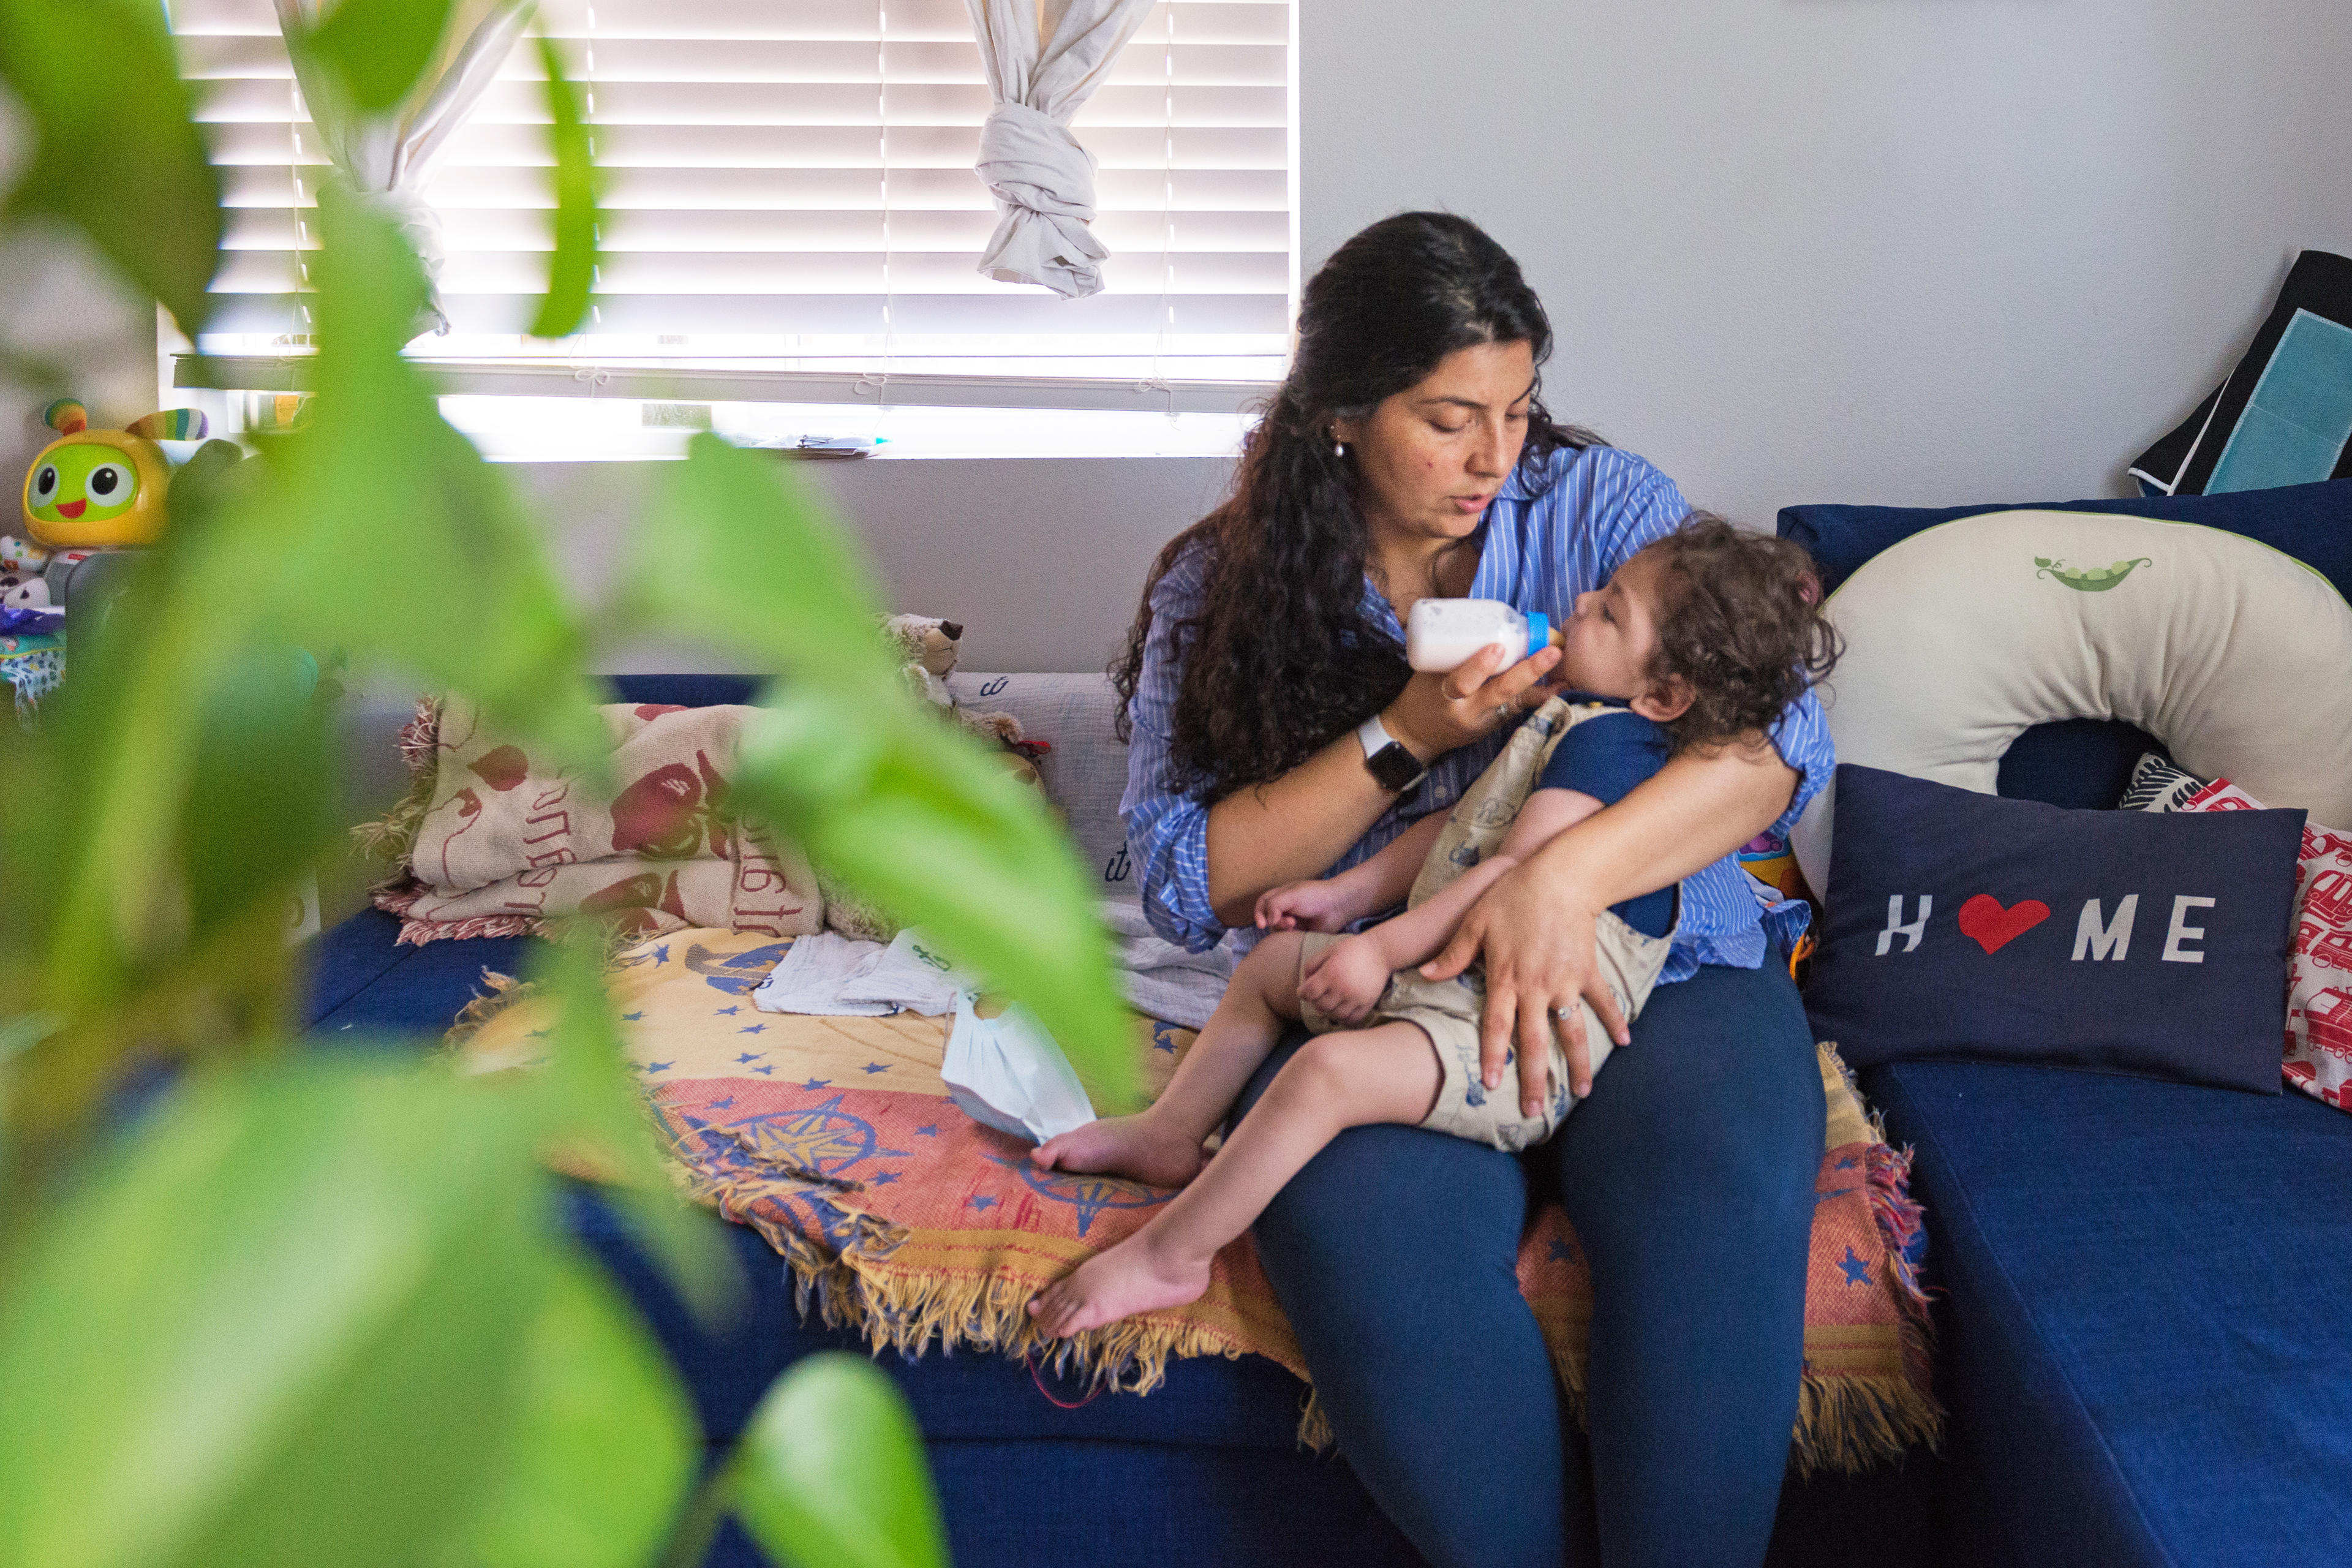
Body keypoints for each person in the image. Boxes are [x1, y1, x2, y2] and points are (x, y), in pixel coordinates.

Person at [1104, 211, 1838, 1568]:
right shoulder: (1222, 586)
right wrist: (1410, 737)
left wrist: (1561, 880)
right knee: (1344, 1216)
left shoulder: (1600, 509)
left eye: (1515, 408)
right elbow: (1178, 878)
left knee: (1715, 1197)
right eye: (1449, 419)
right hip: (1399, 990)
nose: (1495, 458)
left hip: (1671, 973)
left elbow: (1782, 743)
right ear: (1339, 411)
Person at [1029, 519, 1837, 1339]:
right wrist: (1343, 898)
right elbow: (1469, 824)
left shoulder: (1619, 748)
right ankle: (1171, 1131)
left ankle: (1175, 1254)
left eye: (1611, 613)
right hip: (1458, 974)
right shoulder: (1572, 720)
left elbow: (1509, 879)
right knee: (1273, 967)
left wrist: (1378, 948)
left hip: (1512, 1035)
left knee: (1324, 1077)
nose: (1582, 600)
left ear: (1664, 697)